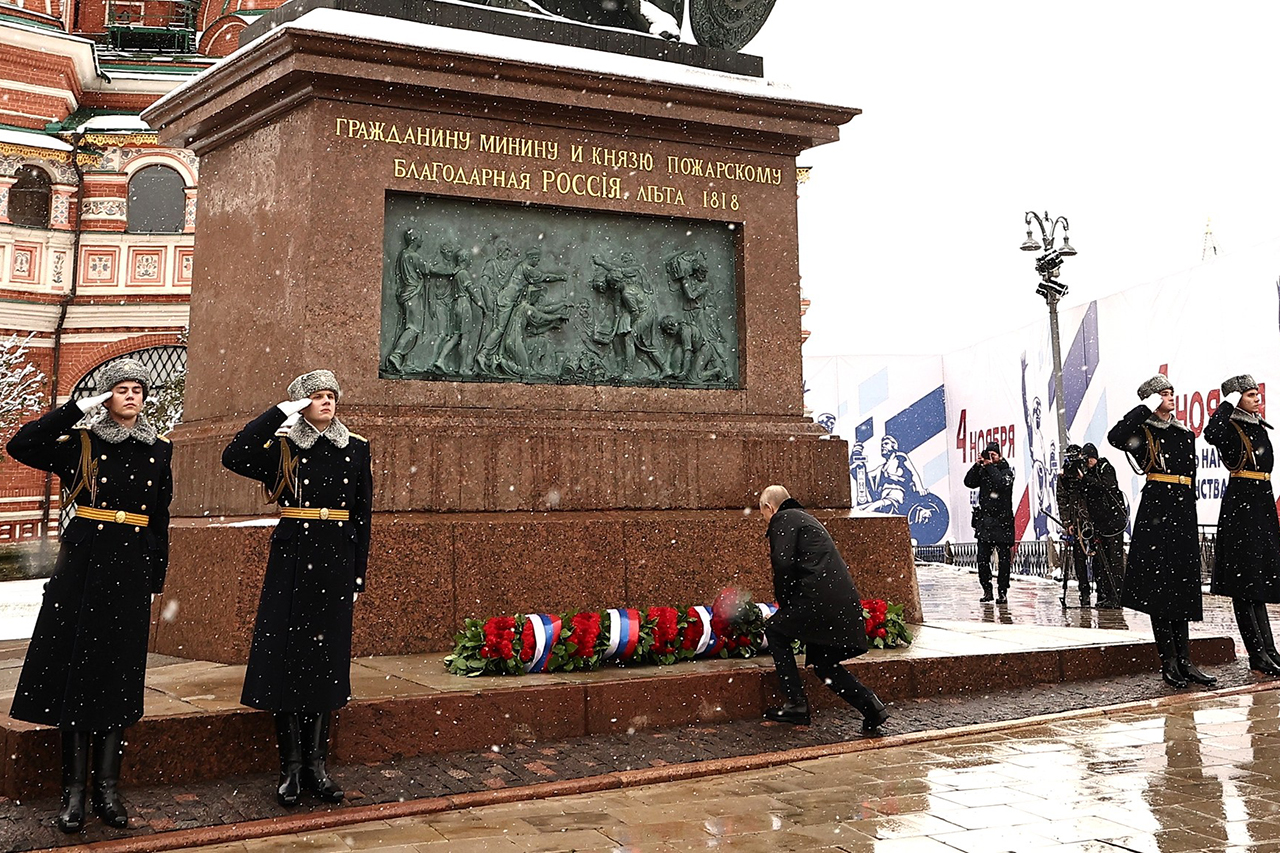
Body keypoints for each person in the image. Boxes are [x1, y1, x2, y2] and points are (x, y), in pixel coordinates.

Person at [6, 358, 172, 833]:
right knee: (78, 676)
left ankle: (108, 790)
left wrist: (155, 578)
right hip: (83, 568)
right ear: (106, 396)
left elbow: (159, 517)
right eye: (121, 389)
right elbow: (22, 444)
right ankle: (74, 794)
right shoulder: (80, 442)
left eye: (137, 389)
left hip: (131, 568)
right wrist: (77, 408)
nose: (131, 396)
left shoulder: (160, 448)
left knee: (118, 678)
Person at [221, 370, 373, 807]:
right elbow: (234, 455)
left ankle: (316, 766)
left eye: (330, 396)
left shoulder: (355, 447)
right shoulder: (283, 446)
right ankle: (290, 767)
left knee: (325, 664)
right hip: (293, 561)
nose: (326, 402)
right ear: (300, 404)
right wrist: (279, 413)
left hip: (334, 562)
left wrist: (357, 573)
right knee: (286, 662)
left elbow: (362, 514)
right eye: (316, 396)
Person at [1108, 374, 1214, 689]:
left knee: (1182, 585)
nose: (1170, 396)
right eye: (1163, 393)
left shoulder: (1184, 433)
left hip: (1183, 510)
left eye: (1171, 392)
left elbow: (1190, 473)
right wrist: (1145, 408)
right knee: (1160, 587)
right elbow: (1116, 436)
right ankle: (1168, 660)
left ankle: (1186, 660)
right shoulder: (1143, 430)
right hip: (1157, 509)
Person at [758, 485, 889, 733]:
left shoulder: (783, 518)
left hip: (815, 599)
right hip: (837, 601)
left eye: (762, 513)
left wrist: (785, 605)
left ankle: (796, 704)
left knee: (775, 630)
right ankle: (872, 706)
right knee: (824, 664)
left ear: (769, 507)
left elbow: (783, 564)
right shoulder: (806, 519)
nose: (764, 519)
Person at [1205, 374, 1280, 677]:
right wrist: (1227, 402)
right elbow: (1211, 433)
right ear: (1238, 399)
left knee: (1258, 583)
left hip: (1261, 504)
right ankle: (1256, 653)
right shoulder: (1231, 427)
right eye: (1249, 395)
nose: (1256, 398)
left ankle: (1269, 649)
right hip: (1242, 508)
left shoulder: (1257, 425)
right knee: (1245, 584)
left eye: (1256, 393)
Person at [963, 441, 1015, 603]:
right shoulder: (983, 470)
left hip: (1002, 522)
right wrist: (977, 465)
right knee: (982, 560)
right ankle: (987, 589)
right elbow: (969, 482)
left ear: (1000, 456)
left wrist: (990, 466)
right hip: (985, 523)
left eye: (994, 455)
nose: (991, 458)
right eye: (988, 455)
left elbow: (1002, 483)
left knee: (1004, 561)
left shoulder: (1006, 471)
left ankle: (1002, 591)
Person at [1078, 443, 1127, 608]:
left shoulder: (1105, 468)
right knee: (1101, 562)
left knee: (1114, 561)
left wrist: (1085, 479)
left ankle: (1117, 596)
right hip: (1100, 524)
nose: (1087, 463)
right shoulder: (1089, 474)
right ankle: (1107, 595)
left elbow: (1106, 487)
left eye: (1088, 459)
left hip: (1113, 523)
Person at [1055, 444, 1092, 607]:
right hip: (1075, 519)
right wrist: (1067, 522)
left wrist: (1083, 477)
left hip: (1090, 517)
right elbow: (1062, 499)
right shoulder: (1064, 475)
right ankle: (1084, 593)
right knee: (1079, 558)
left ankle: (1103, 592)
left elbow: (1093, 490)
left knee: (1096, 556)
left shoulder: (1087, 470)